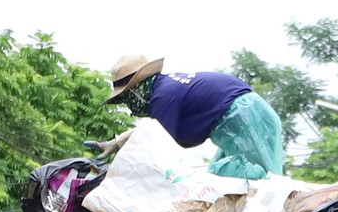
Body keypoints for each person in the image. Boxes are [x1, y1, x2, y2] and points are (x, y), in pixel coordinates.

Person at [105, 52, 285, 179]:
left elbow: (154, 145)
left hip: (246, 119)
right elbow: (151, 131)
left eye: (127, 97)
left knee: (255, 185)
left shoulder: (163, 96)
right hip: (242, 119)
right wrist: (117, 142)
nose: (129, 105)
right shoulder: (165, 88)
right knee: (217, 184)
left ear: (138, 88)